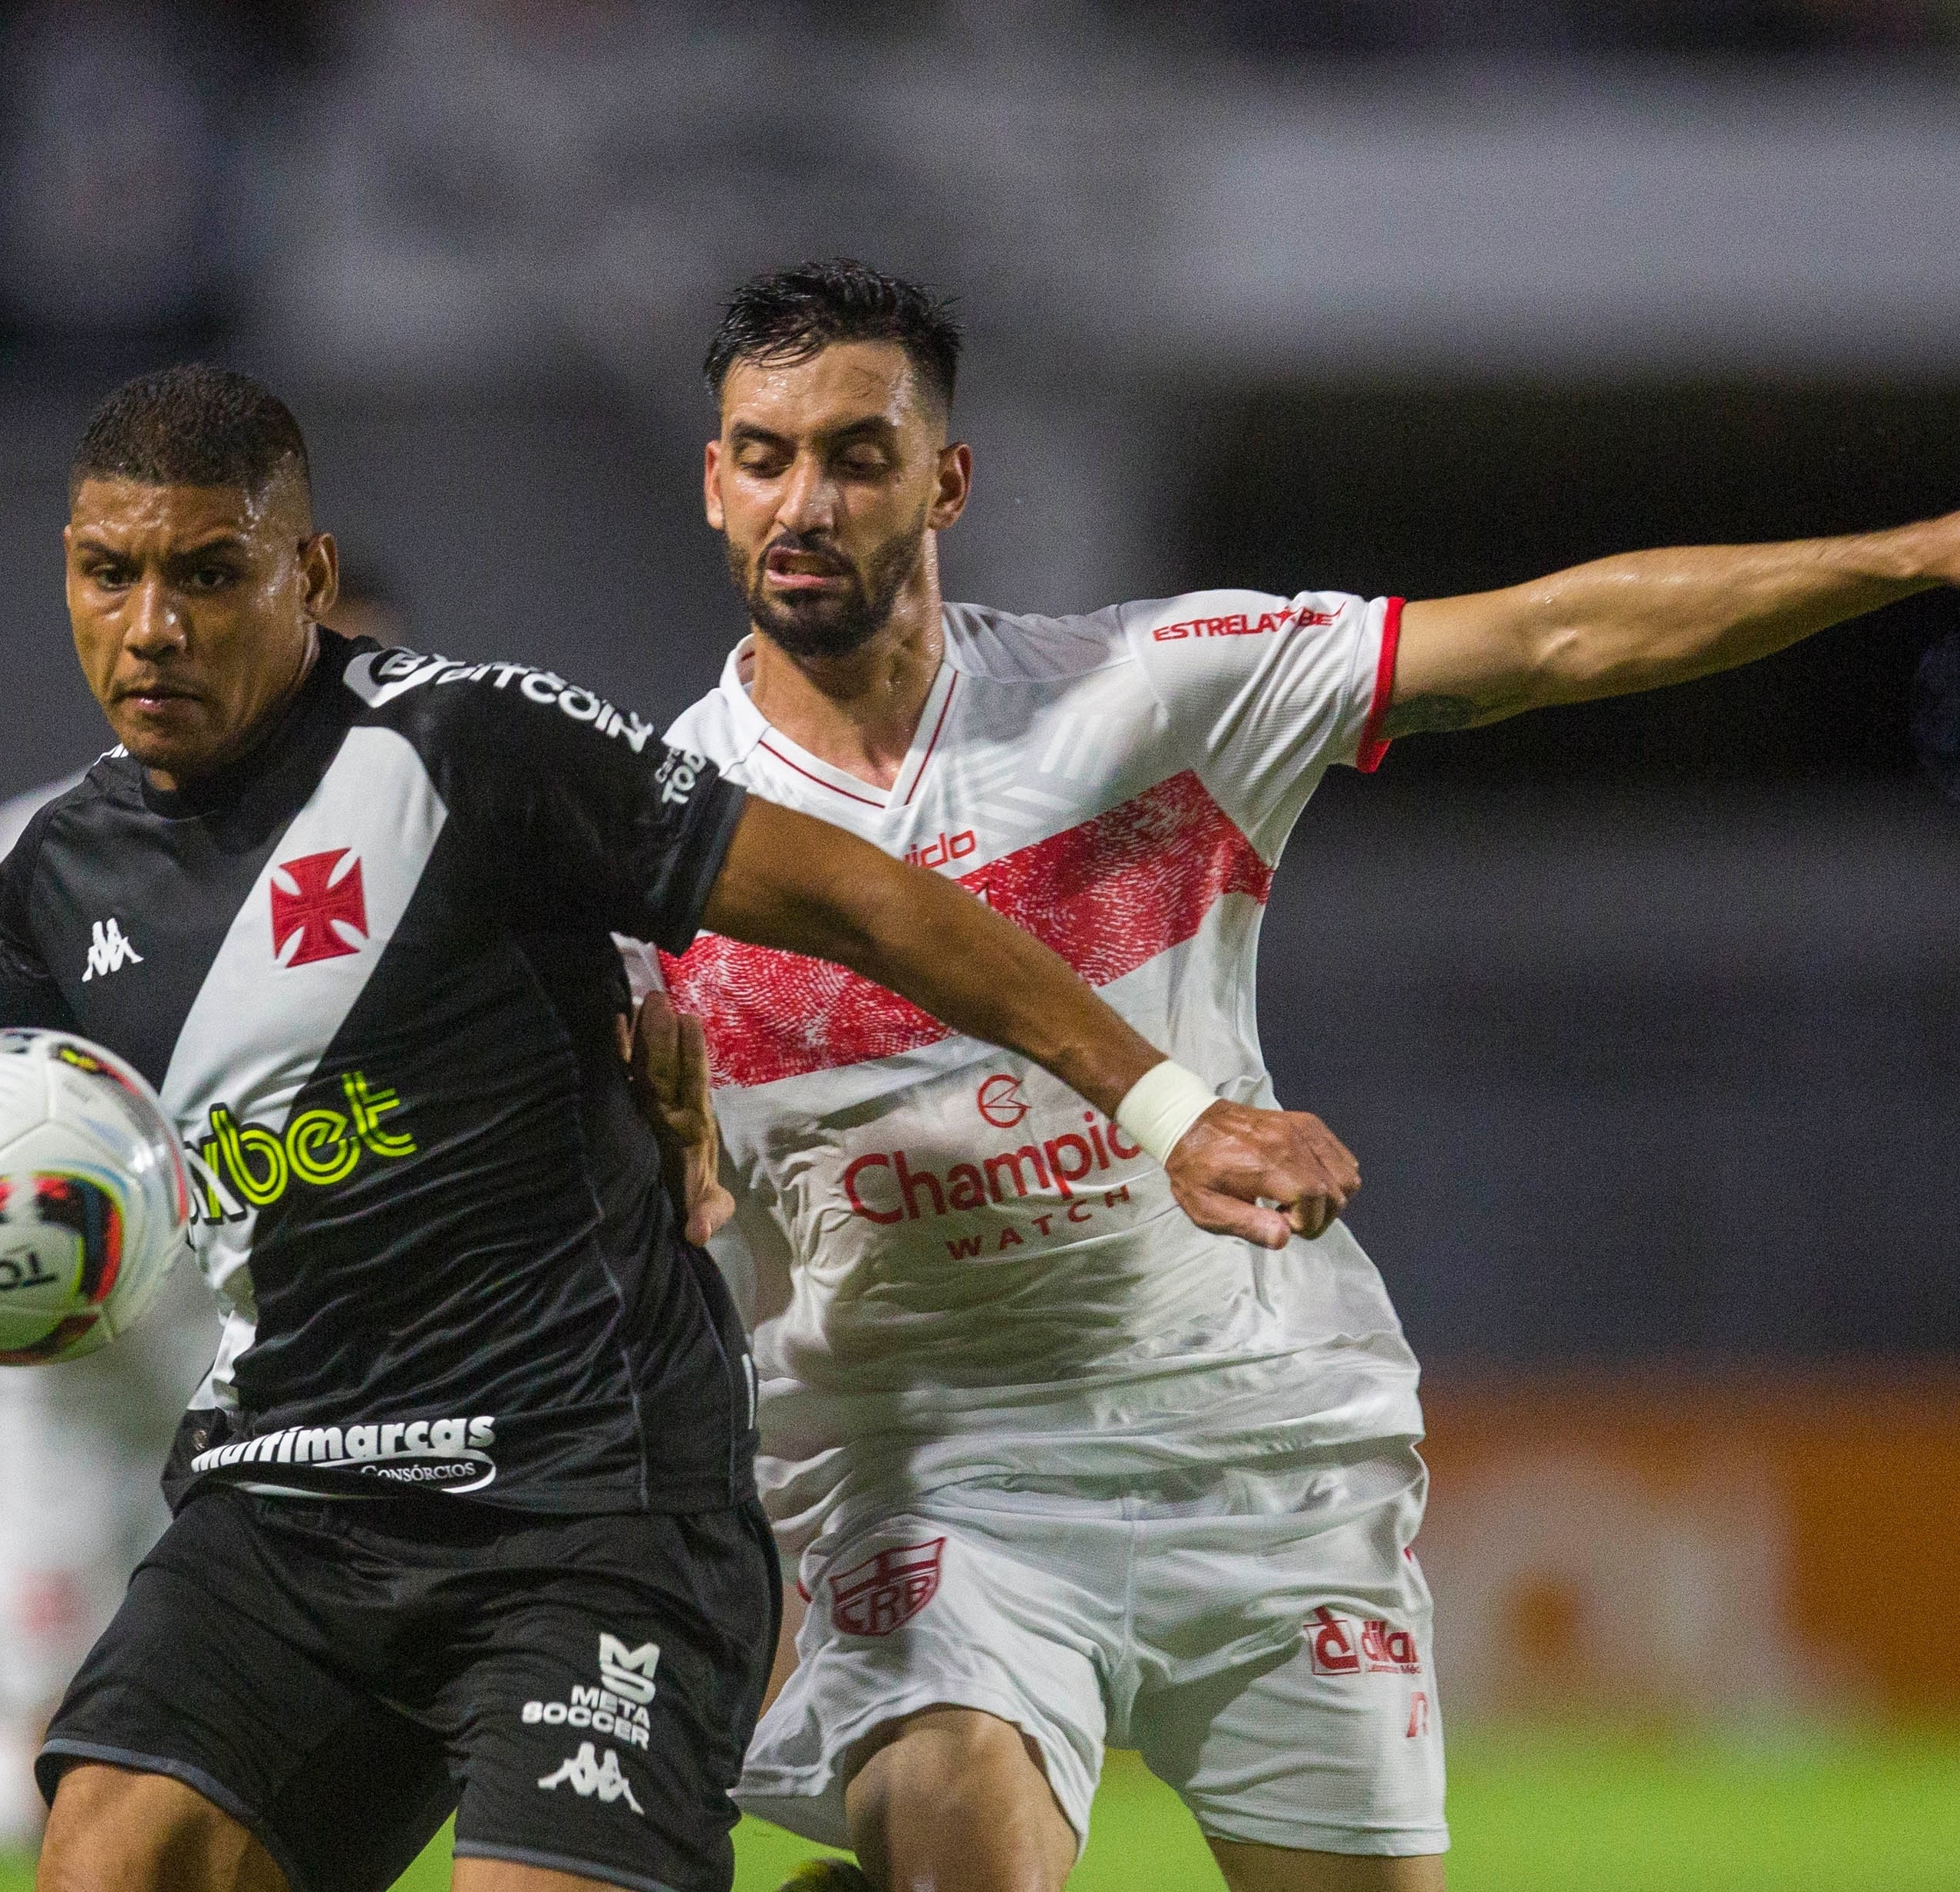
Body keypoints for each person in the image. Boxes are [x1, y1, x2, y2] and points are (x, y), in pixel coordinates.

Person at [0, 364, 1356, 1892]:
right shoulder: (60, 872)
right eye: (105, 574)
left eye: (203, 573)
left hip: (591, 1506)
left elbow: (863, 901)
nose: (148, 626)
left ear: (305, 571)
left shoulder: (469, 749)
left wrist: (1168, 1102)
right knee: (107, 1855)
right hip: (294, 1498)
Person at [644, 260, 1960, 1892]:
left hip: (1257, 1440)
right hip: (932, 1472)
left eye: (857, 452)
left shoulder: (1149, 694)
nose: (808, 499)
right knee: (952, 1848)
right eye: (764, 456)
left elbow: (1555, 635)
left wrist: (1920, 553)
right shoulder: (653, 841)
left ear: (946, 481)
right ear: (714, 484)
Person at [0, 582, 408, 1892]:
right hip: (36, 1344)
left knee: (224, 1738)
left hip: (222, 1326)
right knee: (64, 1769)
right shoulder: (65, 834)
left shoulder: (411, 838)